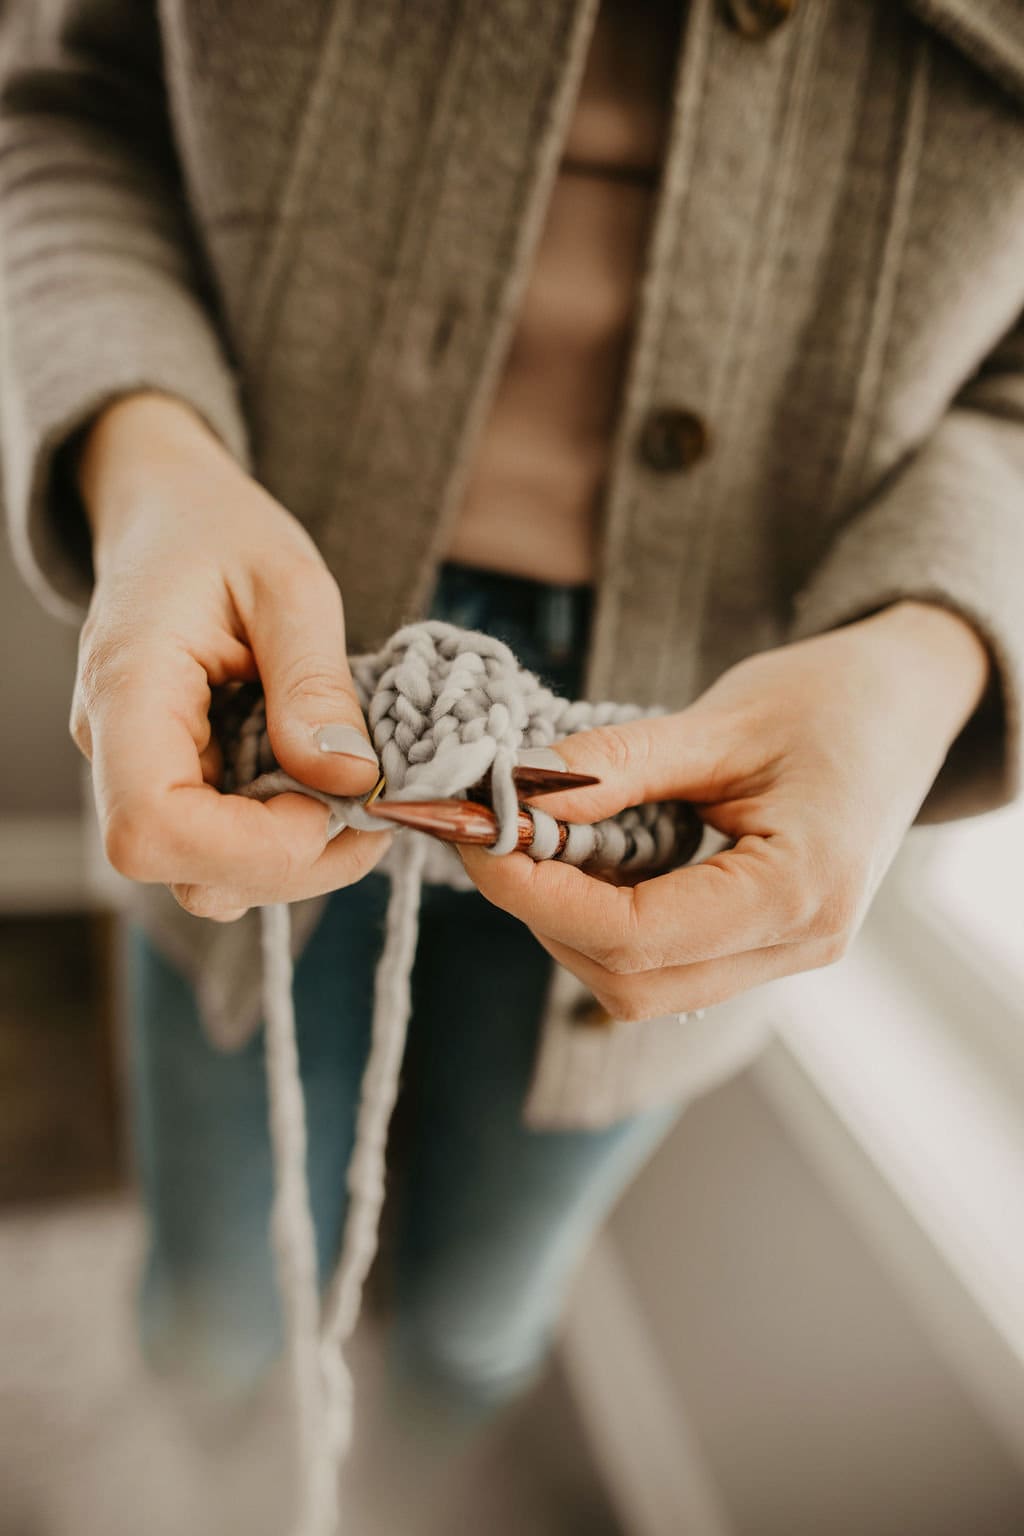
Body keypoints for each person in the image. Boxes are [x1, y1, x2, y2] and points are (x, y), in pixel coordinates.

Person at [1, 0, 1021, 1421]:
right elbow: (61, 104)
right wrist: (147, 452)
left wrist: (928, 652)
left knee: (485, 1300)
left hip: (713, 756)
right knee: (216, 1286)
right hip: (254, 678)